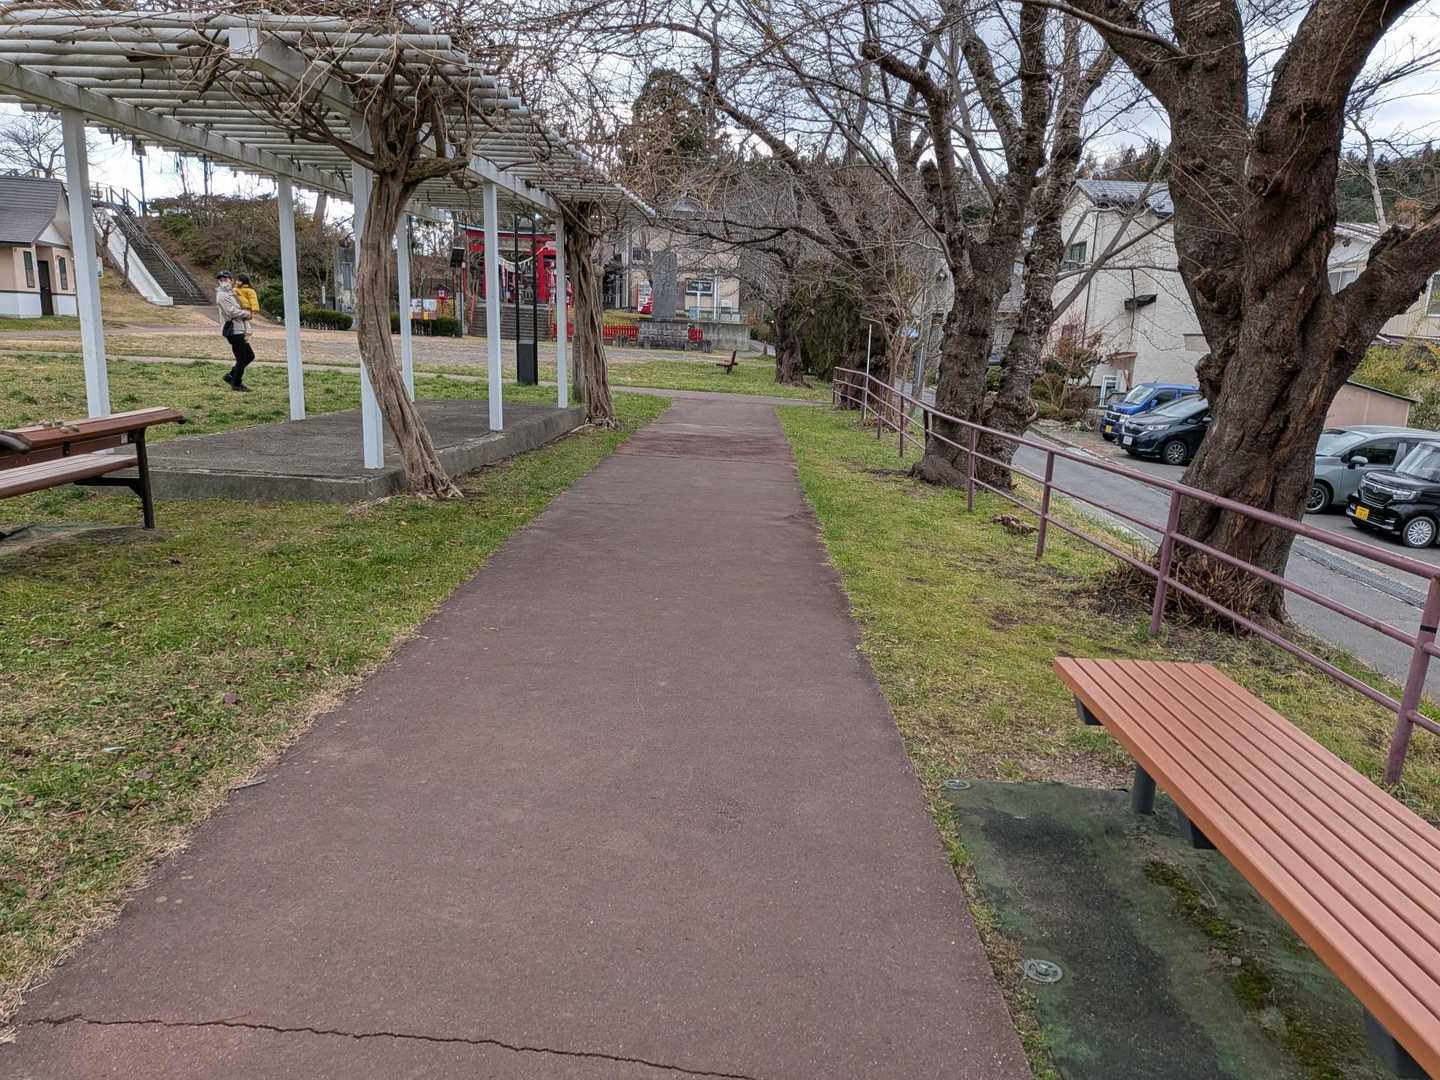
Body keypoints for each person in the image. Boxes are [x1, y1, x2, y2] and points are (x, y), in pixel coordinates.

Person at [215, 270, 254, 392]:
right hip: (233, 331)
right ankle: (236, 383)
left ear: (231, 280)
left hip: (240, 329)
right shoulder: (222, 295)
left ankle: (231, 376)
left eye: (225, 279)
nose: (223, 281)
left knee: (250, 356)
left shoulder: (232, 293)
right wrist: (247, 314)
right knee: (241, 359)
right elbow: (231, 312)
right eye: (220, 279)